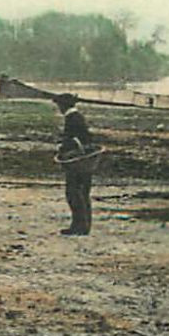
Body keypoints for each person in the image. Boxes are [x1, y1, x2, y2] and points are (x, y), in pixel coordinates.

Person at [54, 92, 100, 236]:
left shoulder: (72, 118)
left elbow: (73, 140)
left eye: (59, 106)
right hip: (86, 160)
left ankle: (78, 226)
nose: (59, 109)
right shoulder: (77, 117)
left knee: (74, 193)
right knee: (83, 193)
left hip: (78, 161)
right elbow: (86, 138)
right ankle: (84, 226)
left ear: (63, 105)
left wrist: (62, 149)